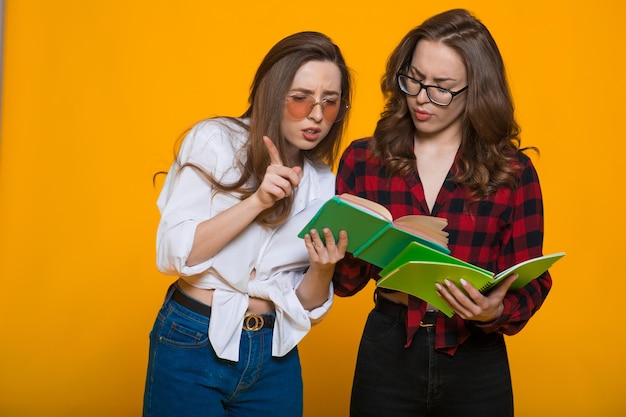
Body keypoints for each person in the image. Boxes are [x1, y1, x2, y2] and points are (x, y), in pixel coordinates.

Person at [332, 9, 551, 417]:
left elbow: (531, 279)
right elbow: (345, 285)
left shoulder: (514, 171)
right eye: (414, 79)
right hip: (388, 347)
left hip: (476, 357)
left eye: (442, 88)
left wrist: (496, 311)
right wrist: (332, 253)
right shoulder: (365, 158)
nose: (420, 97)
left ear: (477, 90)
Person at [143, 31, 351, 417]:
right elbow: (174, 255)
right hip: (193, 338)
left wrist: (323, 267)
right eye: (301, 98)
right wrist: (258, 201)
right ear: (273, 94)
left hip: (275, 353)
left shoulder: (324, 182)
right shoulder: (216, 140)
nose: (317, 115)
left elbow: (305, 303)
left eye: (330, 102)